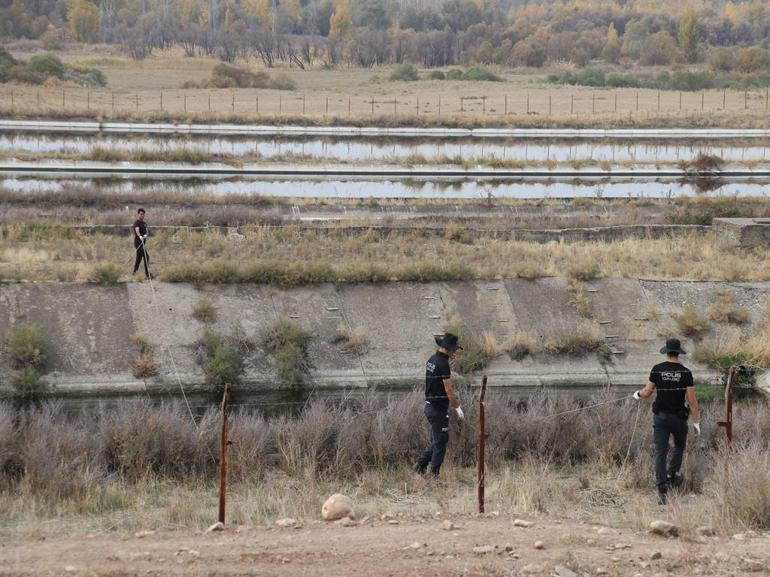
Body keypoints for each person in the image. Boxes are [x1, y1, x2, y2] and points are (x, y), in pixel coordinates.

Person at [633, 338, 701, 505]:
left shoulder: (657, 369)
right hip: (679, 418)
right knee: (679, 446)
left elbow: (648, 392)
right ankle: (672, 475)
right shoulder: (686, 373)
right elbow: (692, 401)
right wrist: (696, 422)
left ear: (666, 351)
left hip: (661, 418)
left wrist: (638, 395)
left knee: (660, 452)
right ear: (678, 353)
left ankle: (662, 491)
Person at [412, 333, 465, 478]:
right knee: (441, 443)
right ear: (447, 349)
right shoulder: (443, 364)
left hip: (429, 406)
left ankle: (419, 466)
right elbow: (448, 390)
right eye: (454, 349)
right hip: (437, 409)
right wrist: (457, 407)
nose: (455, 352)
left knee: (438, 441)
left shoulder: (431, 360)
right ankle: (434, 476)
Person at [132, 208, 151, 279]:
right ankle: (147, 274)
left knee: (139, 258)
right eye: (141, 214)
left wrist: (146, 235)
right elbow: (137, 230)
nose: (142, 215)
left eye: (143, 214)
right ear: (138, 214)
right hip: (138, 243)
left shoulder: (144, 223)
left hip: (143, 243)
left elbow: (147, 231)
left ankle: (134, 272)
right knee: (146, 257)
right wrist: (140, 236)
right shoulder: (136, 222)